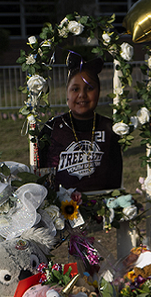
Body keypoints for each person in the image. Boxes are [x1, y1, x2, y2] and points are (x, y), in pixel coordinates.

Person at [37, 54, 122, 193]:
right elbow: (41, 176)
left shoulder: (109, 128)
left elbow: (115, 179)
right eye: (75, 89)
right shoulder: (52, 128)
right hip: (61, 209)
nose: (82, 95)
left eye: (89, 88)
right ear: (67, 94)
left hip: (99, 206)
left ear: (98, 92)